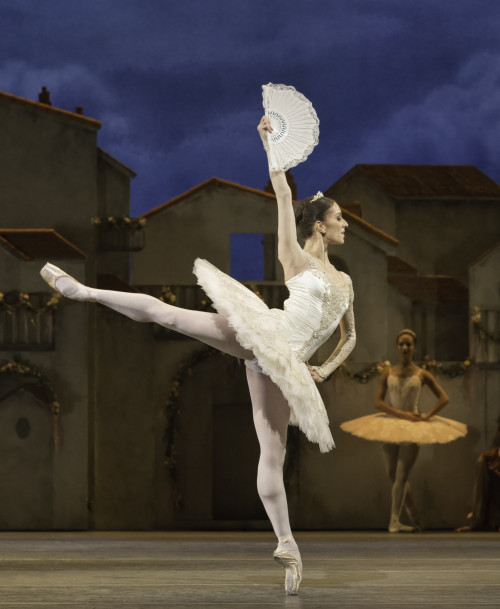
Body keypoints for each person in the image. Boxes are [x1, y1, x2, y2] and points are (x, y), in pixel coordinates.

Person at [40, 115, 356, 595]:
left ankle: (287, 547)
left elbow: (350, 338)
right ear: (320, 224)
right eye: (339, 218)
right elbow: (283, 193)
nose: (346, 224)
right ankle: (82, 290)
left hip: (287, 366)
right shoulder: (295, 258)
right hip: (264, 334)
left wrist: (324, 370)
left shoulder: (347, 282)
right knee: (171, 316)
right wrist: (269, 142)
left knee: (272, 454)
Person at [340, 329, 467, 533]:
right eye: (402, 344)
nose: (405, 347)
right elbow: (378, 403)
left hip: (413, 426)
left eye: (409, 344)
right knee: (393, 474)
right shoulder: (387, 373)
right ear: (397, 347)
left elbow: (444, 398)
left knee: (400, 475)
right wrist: (400, 414)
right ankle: (414, 512)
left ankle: (394, 521)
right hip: (390, 423)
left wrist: (426, 416)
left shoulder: (422, 374)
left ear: (414, 348)